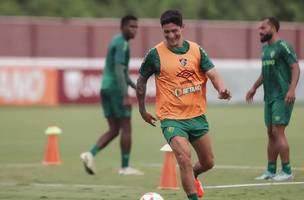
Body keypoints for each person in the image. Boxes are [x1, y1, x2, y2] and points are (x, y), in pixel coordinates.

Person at [136, 10, 231, 200]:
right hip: (171, 118)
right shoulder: (154, 55)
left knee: (208, 162)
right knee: (184, 158)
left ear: (182, 27)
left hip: (196, 116)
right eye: (166, 32)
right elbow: (141, 81)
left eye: (174, 31)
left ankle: (194, 176)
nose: (171, 36)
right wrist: (142, 110)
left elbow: (212, 73)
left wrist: (221, 89)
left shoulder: (196, 50)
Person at [80, 15, 143, 176]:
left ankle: (90, 154)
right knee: (126, 127)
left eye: (136, 27)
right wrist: (125, 95)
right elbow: (118, 71)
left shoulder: (116, 41)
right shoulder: (122, 44)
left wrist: (134, 86)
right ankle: (125, 167)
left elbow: (121, 71)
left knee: (114, 129)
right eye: (131, 26)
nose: (134, 30)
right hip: (115, 90)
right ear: (122, 27)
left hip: (106, 88)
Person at [246, 17, 300, 181]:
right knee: (270, 133)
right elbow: (264, 72)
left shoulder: (283, 46)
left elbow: (295, 67)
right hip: (269, 96)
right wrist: (254, 88)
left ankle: (287, 171)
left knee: (278, 131)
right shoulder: (265, 49)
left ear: (273, 28)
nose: (260, 31)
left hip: (282, 96)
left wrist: (292, 89)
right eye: (259, 28)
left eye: (263, 28)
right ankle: (270, 170)